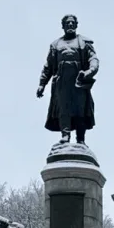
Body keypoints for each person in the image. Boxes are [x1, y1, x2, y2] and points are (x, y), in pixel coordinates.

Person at [36, 14, 99, 144]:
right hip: (62, 83)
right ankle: (65, 134)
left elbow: (93, 60)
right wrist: (42, 84)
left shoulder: (84, 43)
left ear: (76, 25)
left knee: (80, 109)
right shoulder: (56, 45)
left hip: (79, 82)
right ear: (63, 26)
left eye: (72, 23)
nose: (70, 25)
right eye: (67, 23)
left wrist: (89, 72)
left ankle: (80, 139)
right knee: (64, 109)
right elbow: (48, 66)